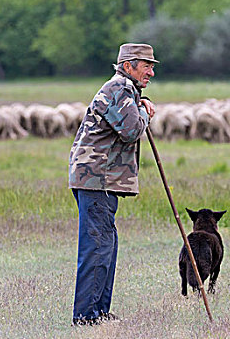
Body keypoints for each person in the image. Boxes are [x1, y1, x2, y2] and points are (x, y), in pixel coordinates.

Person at [68, 43, 158, 325]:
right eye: (147, 66)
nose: (151, 73)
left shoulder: (126, 90)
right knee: (97, 247)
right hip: (96, 179)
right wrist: (146, 113)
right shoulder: (119, 88)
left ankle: (99, 312)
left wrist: (140, 106)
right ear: (129, 66)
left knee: (106, 245)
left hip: (100, 179)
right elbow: (131, 130)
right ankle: (85, 317)